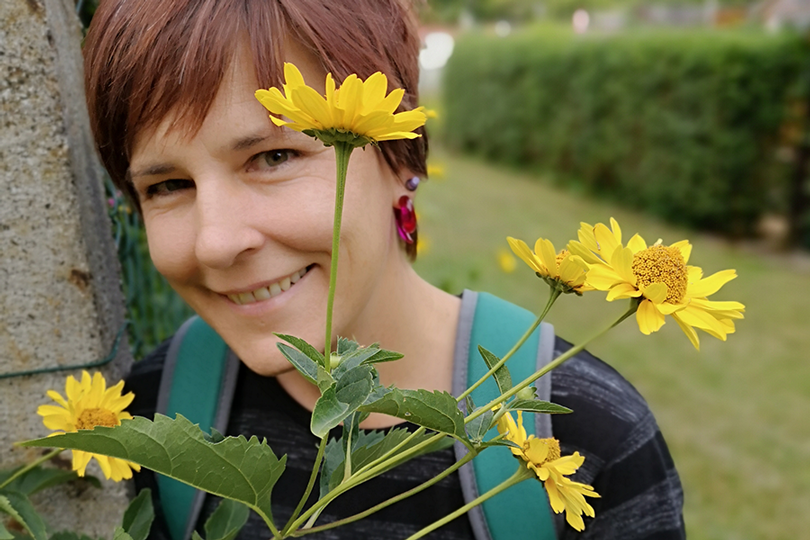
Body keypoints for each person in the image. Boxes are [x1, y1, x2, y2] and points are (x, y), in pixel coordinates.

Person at [83, 1, 686, 538]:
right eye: (167, 185)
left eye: (273, 156)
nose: (215, 242)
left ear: (403, 157)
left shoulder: (598, 439)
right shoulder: (151, 415)